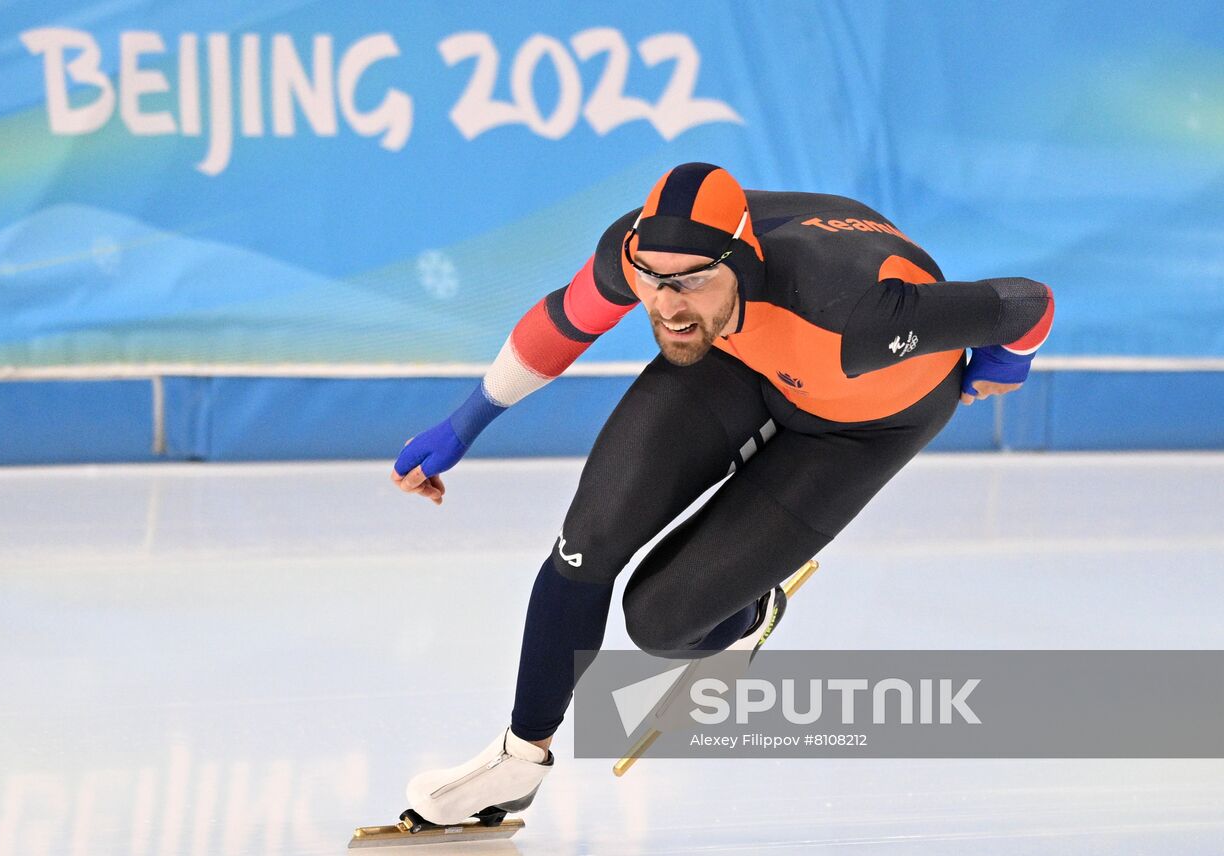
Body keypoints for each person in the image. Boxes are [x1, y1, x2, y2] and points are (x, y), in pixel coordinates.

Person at [389, 163, 1054, 825]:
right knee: (586, 543)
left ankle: (749, 613)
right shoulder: (643, 256)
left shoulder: (852, 314)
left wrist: (1006, 361)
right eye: (651, 281)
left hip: (860, 426)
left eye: (691, 281)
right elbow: (564, 322)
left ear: (741, 261)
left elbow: (1027, 304)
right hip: (739, 355)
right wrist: (462, 424)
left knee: (661, 625)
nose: (667, 305)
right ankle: (517, 760)